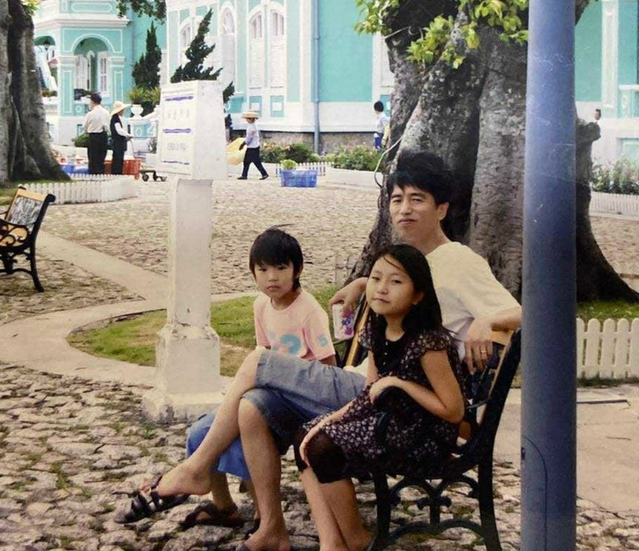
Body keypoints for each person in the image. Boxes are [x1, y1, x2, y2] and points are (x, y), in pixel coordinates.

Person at [129, 150, 520, 551]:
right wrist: (364, 283)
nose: (404, 209)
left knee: (258, 362)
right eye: (397, 199)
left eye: (417, 199)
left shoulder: (459, 260)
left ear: (442, 208)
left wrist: (488, 321)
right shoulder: (414, 261)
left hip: (389, 401)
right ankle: (271, 531)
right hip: (367, 387)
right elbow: (412, 282)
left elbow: (525, 311)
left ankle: (195, 470)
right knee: (254, 404)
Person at [115, 228, 337, 528]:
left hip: (298, 400)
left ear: (297, 270)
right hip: (266, 393)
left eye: (281, 268)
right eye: (263, 270)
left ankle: (265, 517)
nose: (272, 277)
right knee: (202, 431)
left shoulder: (308, 310)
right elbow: (264, 352)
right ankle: (223, 505)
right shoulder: (261, 306)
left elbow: (327, 367)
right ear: (253, 273)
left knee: (246, 428)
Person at [296, 244, 466, 551]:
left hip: (425, 435)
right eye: (375, 279)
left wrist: (401, 384)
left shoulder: (428, 342)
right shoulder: (379, 328)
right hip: (392, 421)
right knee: (306, 438)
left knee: (323, 449)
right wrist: (334, 418)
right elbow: (370, 391)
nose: (382, 289)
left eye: (396, 281)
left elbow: (453, 411)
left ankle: (357, 540)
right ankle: (331, 541)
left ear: (418, 295)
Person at [83, 93, 110, 175]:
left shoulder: (90, 114)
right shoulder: (106, 112)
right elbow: (107, 126)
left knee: (92, 158)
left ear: (92, 102)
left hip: (93, 136)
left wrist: (86, 132)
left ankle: (93, 174)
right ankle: (100, 173)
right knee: (101, 157)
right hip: (103, 135)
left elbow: (85, 126)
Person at [239, 111, 269, 180]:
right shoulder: (253, 126)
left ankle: (263, 174)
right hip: (254, 146)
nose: (247, 120)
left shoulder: (252, 127)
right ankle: (245, 175)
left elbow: (249, 138)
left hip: (252, 147)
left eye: (247, 119)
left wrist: (243, 144)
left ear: (251, 119)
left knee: (251, 162)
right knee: (250, 161)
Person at [109, 101, 133, 175]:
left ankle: (117, 171)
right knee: (118, 158)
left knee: (118, 157)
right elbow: (119, 130)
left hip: (118, 141)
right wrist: (127, 135)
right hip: (118, 142)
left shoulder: (116, 118)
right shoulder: (115, 119)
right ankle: (117, 172)